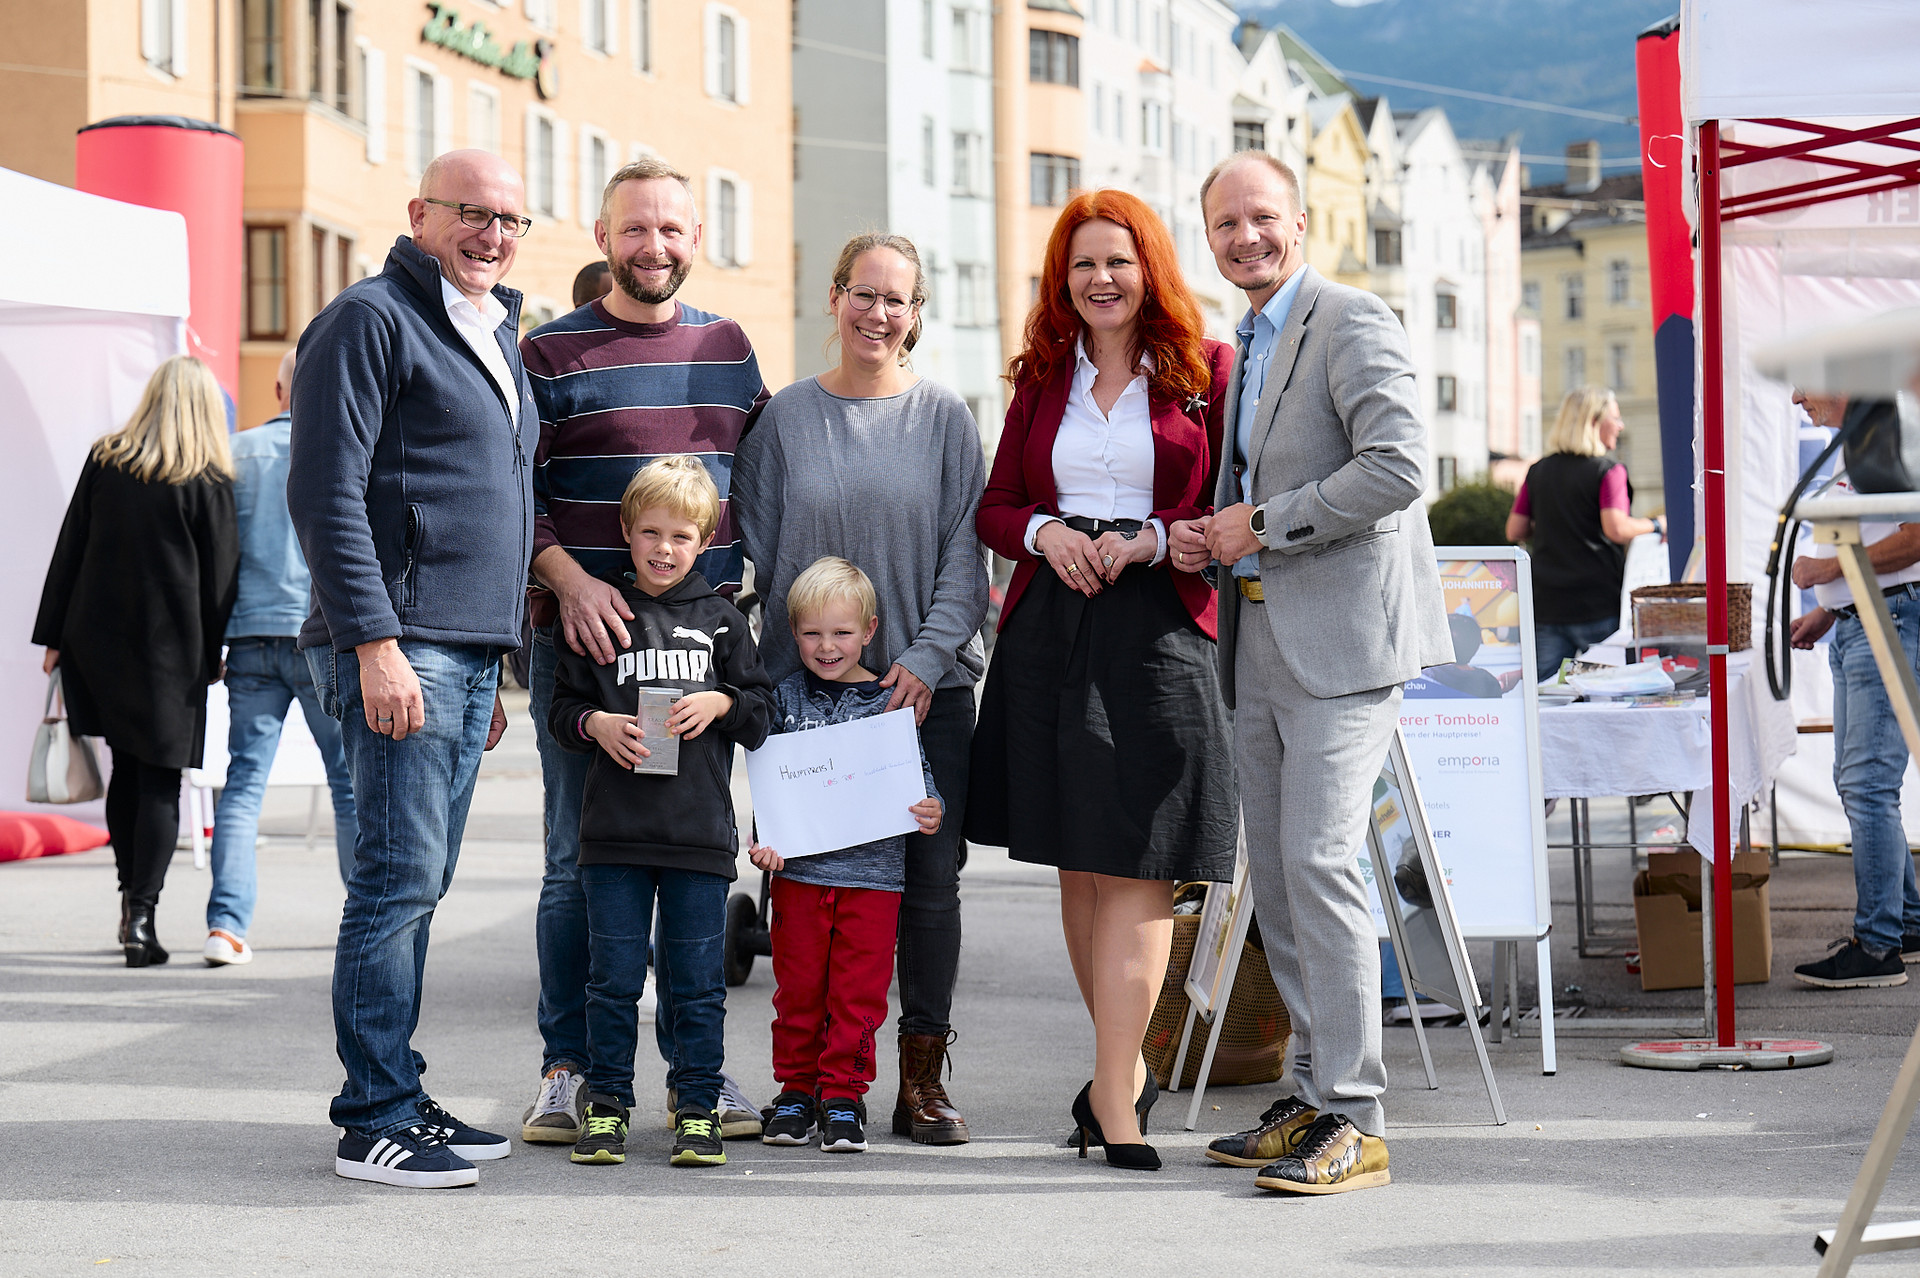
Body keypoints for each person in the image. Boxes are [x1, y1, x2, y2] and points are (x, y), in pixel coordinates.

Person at [1169, 151, 1451, 1196]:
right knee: (1281, 880)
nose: (1245, 237)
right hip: (1260, 645)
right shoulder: (1246, 342)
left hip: (1342, 648)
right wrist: (1220, 533)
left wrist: (1263, 527)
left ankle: (1360, 1118)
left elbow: (1399, 467)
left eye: (1262, 219)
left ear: (1299, 221)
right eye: (1225, 225)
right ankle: (1308, 1094)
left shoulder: (1351, 318)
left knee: (1325, 867)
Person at [969, 189, 1236, 1172]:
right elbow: (997, 507)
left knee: (1139, 866)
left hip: (1160, 628)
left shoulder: (1208, 371)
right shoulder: (1042, 377)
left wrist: (1152, 541)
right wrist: (1048, 534)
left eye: (1117, 261)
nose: (1101, 279)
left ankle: (1114, 1098)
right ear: (1062, 280)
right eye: (1082, 264)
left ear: (1149, 267)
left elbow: (1226, 502)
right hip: (1049, 626)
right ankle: (1114, 1080)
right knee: (1081, 866)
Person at [288, 149, 534, 1190]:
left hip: (460, 652)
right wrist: (377, 643)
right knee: (393, 882)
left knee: (420, 881)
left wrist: (486, 659)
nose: (492, 235)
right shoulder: (371, 318)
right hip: (400, 644)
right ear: (419, 214)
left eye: (510, 220)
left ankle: (402, 1086)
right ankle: (373, 1117)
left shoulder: (491, 328)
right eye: (470, 214)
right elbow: (325, 492)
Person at [519, 157, 771, 1146]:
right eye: (635, 229)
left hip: (697, 660)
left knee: (695, 873)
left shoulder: (729, 347)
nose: (653, 246)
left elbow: (756, 485)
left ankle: (698, 1080)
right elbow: (518, 494)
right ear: (601, 235)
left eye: (671, 229)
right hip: (583, 653)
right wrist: (568, 579)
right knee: (576, 872)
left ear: (695, 240)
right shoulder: (549, 354)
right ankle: (568, 1070)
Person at [733, 232, 987, 1144]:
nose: (879, 314)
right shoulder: (788, 420)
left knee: (925, 886)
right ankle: (806, 1079)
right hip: (809, 703)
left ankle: (919, 1077)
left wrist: (921, 659)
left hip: (925, 692)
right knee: (808, 890)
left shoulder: (946, 419)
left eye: (898, 300)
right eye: (863, 294)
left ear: (918, 315)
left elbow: (968, 555)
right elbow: (751, 554)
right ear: (834, 297)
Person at [546, 455, 774, 1168]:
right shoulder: (604, 619)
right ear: (626, 532)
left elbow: (764, 714)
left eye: (681, 535)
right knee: (612, 982)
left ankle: (698, 1106)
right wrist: (595, 726)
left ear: (705, 541)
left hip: (698, 841)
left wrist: (724, 702)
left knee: (698, 986)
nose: (664, 548)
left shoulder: (724, 624)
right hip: (613, 839)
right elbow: (559, 711)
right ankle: (608, 1105)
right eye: (650, 532)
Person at [34, 355, 239, 969]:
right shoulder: (208, 478)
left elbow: (69, 547)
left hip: (95, 643)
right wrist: (214, 653)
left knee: (128, 769)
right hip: (171, 654)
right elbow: (220, 580)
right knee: (158, 780)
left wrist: (53, 639)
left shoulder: (107, 459)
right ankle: (142, 917)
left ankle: (132, 905)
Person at [748, 558, 945, 1154]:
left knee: (857, 996)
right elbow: (772, 780)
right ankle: (795, 1093)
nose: (826, 646)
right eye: (811, 633)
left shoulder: (891, 702)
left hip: (874, 882)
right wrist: (766, 838)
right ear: (792, 632)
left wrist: (930, 806)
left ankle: (843, 1098)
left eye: (840, 632)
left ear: (869, 630)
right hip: (799, 877)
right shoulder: (782, 698)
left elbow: (918, 778)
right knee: (798, 991)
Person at [202, 348, 360, 967]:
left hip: (249, 637)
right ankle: (362, 925)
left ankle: (226, 926)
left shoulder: (233, 454)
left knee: (243, 784)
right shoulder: (343, 451)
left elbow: (216, 559)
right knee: (349, 784)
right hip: (323, 636)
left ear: (277, 388)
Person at [1788, 390, 1920, 989]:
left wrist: (1831, 572)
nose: (1797, 398)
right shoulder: (1858, 446)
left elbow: (1916, 538)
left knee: (1867, 784)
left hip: (1884, 621)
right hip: (1863, 620)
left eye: (1804, 384)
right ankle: (1907, 923)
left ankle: (1877, 946)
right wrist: (1830, 610)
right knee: (1865, 783)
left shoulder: (1885, 440)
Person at [1505, 387, 1665, 680]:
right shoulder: (1608, 471)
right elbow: (1617, 529)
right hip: (1597, 604)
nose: (1621, 426)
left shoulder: (1539, 470)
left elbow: (1515, 529)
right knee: (1605, 689)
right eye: (1615, 418)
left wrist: (1554, 518)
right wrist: (1656, 525)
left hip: (1547, 604)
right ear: (1594, 421)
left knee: (1543, 696)